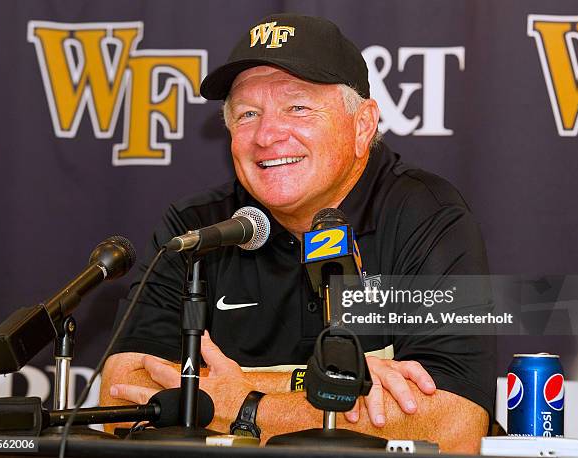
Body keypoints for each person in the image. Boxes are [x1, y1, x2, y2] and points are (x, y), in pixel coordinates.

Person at [100, 13, 495, 452]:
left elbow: (455, 424)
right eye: (248, 113)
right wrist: (323, 385)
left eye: (298, 107)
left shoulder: (426, 216)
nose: (267, 135)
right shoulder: (197, 229)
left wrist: (242, 401)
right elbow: (121, 397)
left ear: (362, 125)